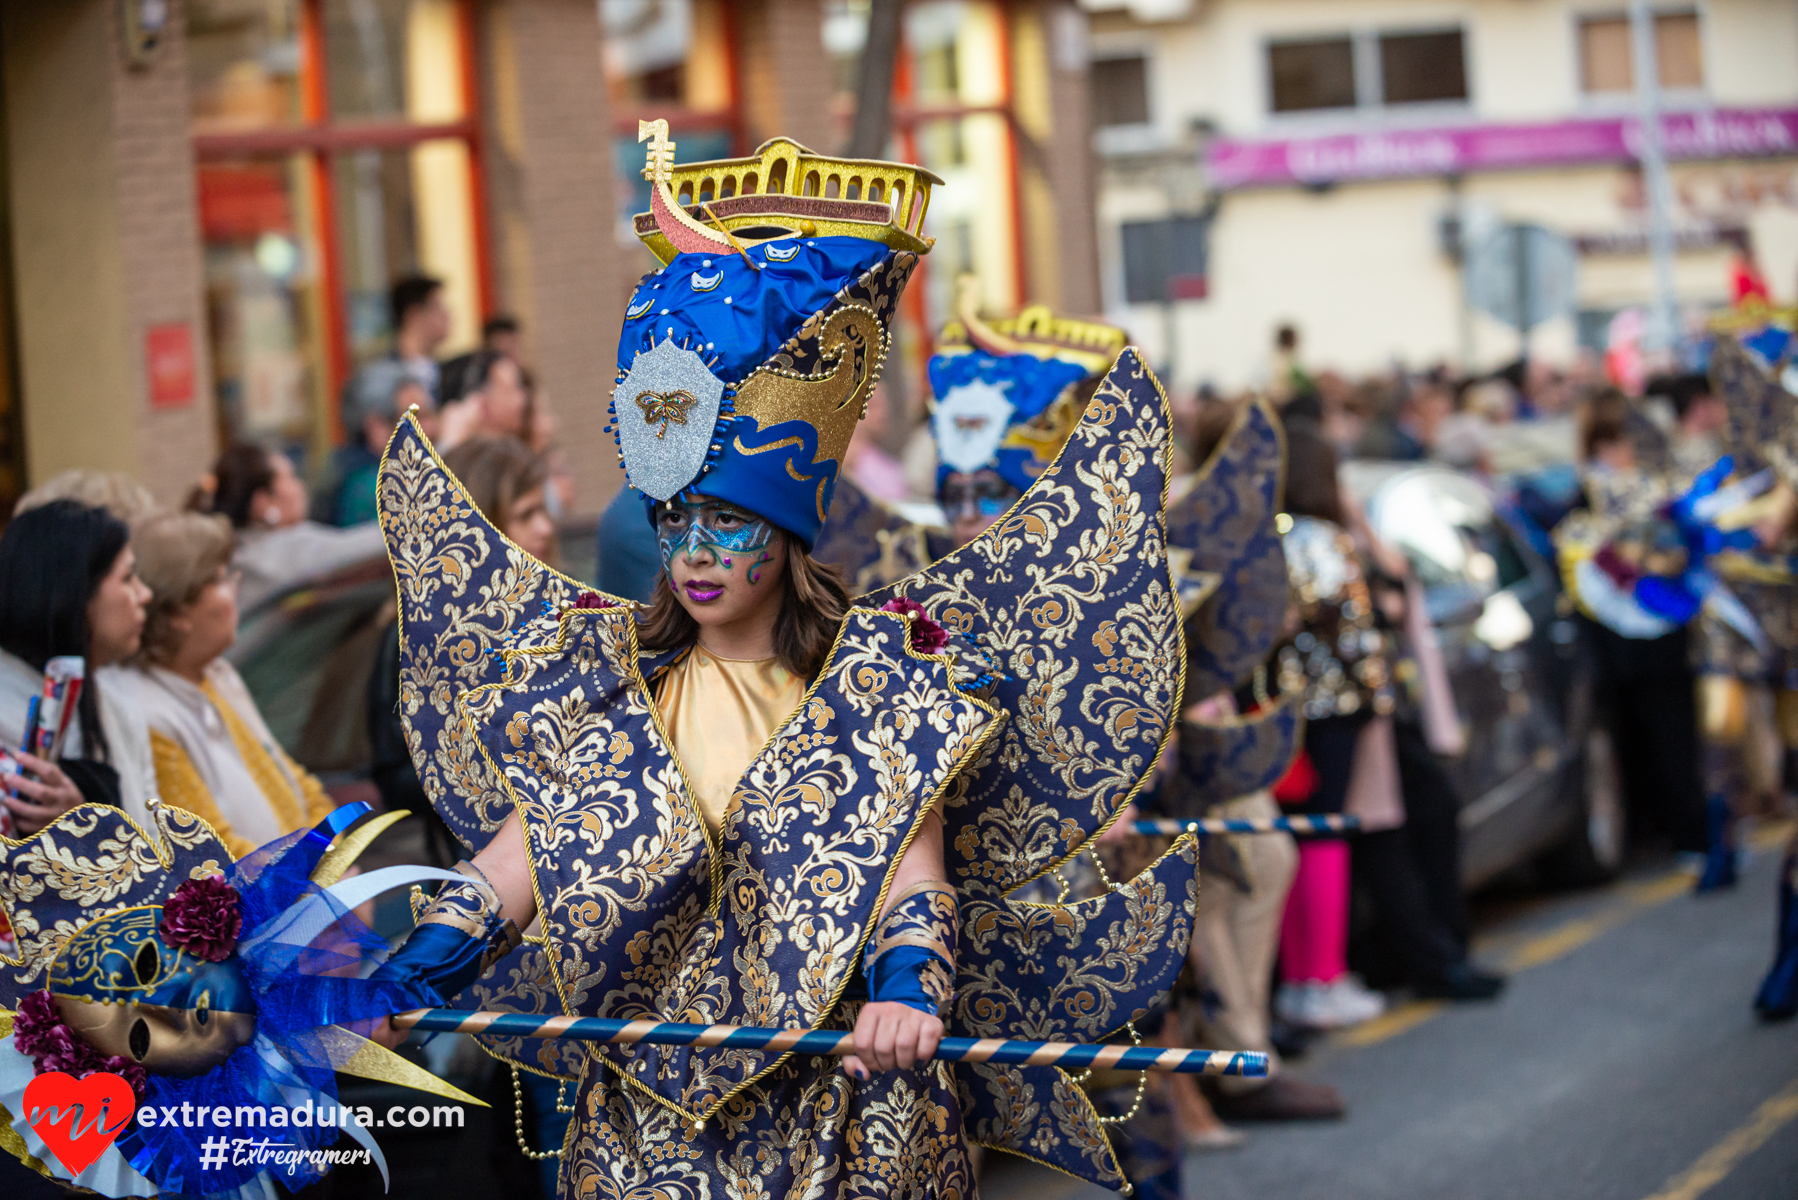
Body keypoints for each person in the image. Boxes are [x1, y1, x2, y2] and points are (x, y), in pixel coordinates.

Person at [360, 132, 1195, 1196]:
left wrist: (907, 994)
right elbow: (512, 871)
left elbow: (911, 880)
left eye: (725, 522)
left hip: (836, 1121)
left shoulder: (882, 690)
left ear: (788, 533)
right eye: (674, 522)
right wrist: (408, 970)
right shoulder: (612, 690)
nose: (696, 555)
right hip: (645, 1136)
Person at [367, 435, 557, 869]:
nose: (546, 527)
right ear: (480, 526)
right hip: (486, 870)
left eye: (543, 508)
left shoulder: (552, 605)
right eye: (527, 514)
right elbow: (399, 773)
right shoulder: (416, 638)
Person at [112, 511, 337, 857]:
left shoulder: (216, 674)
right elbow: (216, 851)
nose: (235, 588)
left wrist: (335, 856)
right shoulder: (148, 713)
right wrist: (324, 882)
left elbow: (295, 781)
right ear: (178, 612)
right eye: (219, 579)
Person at [0, 500, 155, 829]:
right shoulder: (6, 714)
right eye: (128, 578)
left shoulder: (116, 703)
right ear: (75, 594)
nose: (145, 594)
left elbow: (156, 850)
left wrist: (89, 825)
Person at [196, 444, 387, 612]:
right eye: (290, 477)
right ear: (263, 503)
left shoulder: (233, 554)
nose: (300, 485)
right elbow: (370, 547)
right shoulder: (282, 552)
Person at [327, 359, 433, 526]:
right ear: (376, 427)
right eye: (415, 420)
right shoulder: (369, 487)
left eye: (429, 415)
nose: (429, 428)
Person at [391, 273, 451, 399]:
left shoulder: (446, 372)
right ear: (414, 316)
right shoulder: (387, 382)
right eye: (437, 307)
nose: (447, 315)